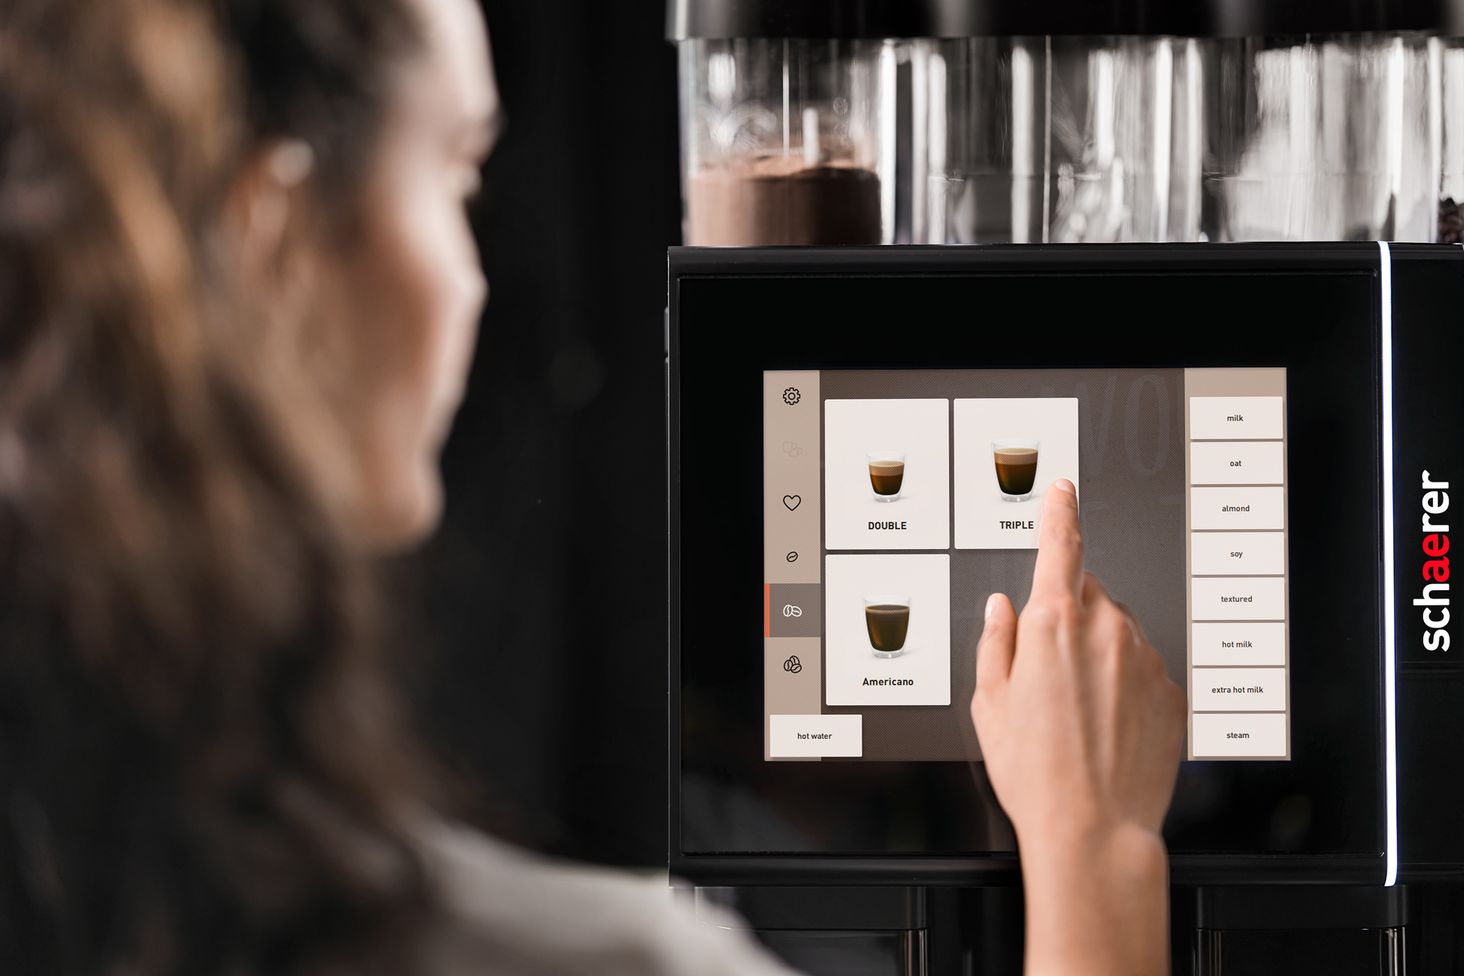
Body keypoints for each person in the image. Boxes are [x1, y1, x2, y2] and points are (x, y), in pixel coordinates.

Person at [0, 0, 1186, 973]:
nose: (473, 279)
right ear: (276, 243)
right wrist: (1096, 853)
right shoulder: (609, 960)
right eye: (459, 178)